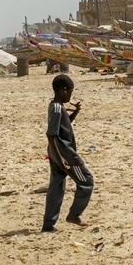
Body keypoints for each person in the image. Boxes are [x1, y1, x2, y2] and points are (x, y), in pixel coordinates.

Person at [42, 74, 94, 232]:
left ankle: (48, 224)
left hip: (56, 152)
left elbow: (63, 126)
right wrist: (61, 159)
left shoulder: (55, 106)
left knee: (56, 187)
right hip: (64, 153)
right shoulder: (58, 108)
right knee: (86, 182)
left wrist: (75, 112)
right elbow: (51, 134)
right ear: (64, 90)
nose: (71, 95)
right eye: (70, 92)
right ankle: (74, 215)